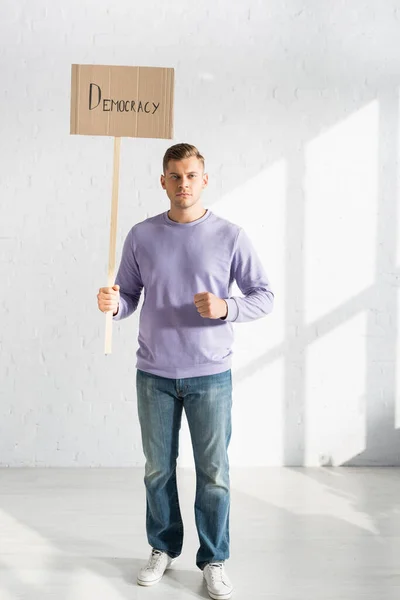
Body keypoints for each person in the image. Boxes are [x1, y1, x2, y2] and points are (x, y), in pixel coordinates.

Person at [97, 143, 274, 600]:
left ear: (205, 179)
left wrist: (226, 307)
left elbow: (263, 295)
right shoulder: (141, 235)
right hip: (154, 372)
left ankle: (213, 559)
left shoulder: (230, 237)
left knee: (213, 472)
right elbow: (129, 296)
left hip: (210, 374)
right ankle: (162, 547)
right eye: (174, 176)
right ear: (162, 181)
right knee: (158, 470)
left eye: (191, 175)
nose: (183, 184)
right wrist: (115, 306)